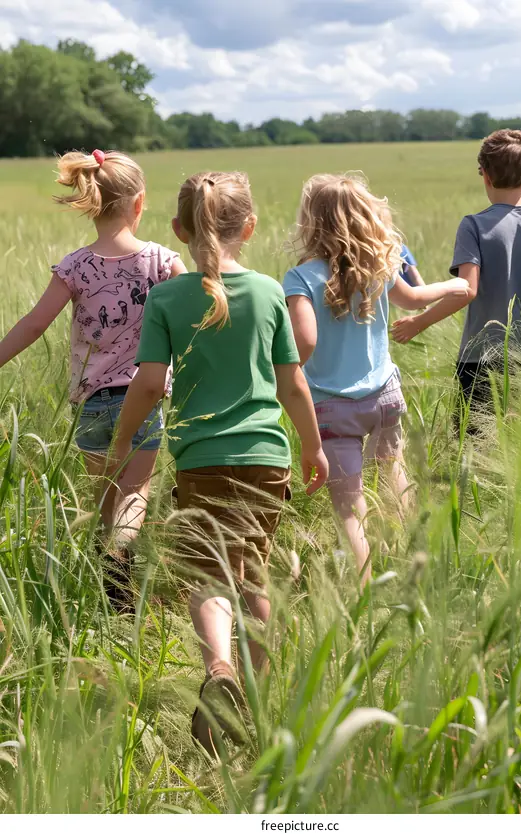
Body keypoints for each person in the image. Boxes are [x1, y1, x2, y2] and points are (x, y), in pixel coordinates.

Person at [111, 171, 328, 750]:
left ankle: (220, 673)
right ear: (249, 227)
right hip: (267, 456)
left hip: (200, 461)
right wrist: (312, 444)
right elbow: (293, 384)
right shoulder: (268, 292)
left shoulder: (166, 297)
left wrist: (122, 439)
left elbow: (150, 383)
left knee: (208, 574)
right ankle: (250, 702)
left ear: (179, 229)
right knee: (253, 569)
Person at [0, 149, 187, 607]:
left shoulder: (75, 266)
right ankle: (119, 560)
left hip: (91, 402)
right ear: (138, 204)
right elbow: (198, 314)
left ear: (90, 202)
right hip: (142, 397)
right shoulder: (163, 261)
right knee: (136, 492)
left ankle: (115, 593)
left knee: (105, 498)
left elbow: (34, 324)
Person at [282, 173, 469, 585]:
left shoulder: (300, 278)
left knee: (349, 507)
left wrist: (283, 370)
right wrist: (456, 283)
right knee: (394, 472)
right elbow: (416, 299)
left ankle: (364, 592)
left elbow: (304, 340)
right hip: (385, 396)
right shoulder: (377, 268)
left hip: (332, 407)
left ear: (311, 222)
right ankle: (411, 561)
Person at [392, 129, 521, 424]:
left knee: (474, 445)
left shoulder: (473, 226)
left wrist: (418, 322)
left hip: (478, 359)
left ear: (485, 175)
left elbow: (467, 290)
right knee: (520, 438)